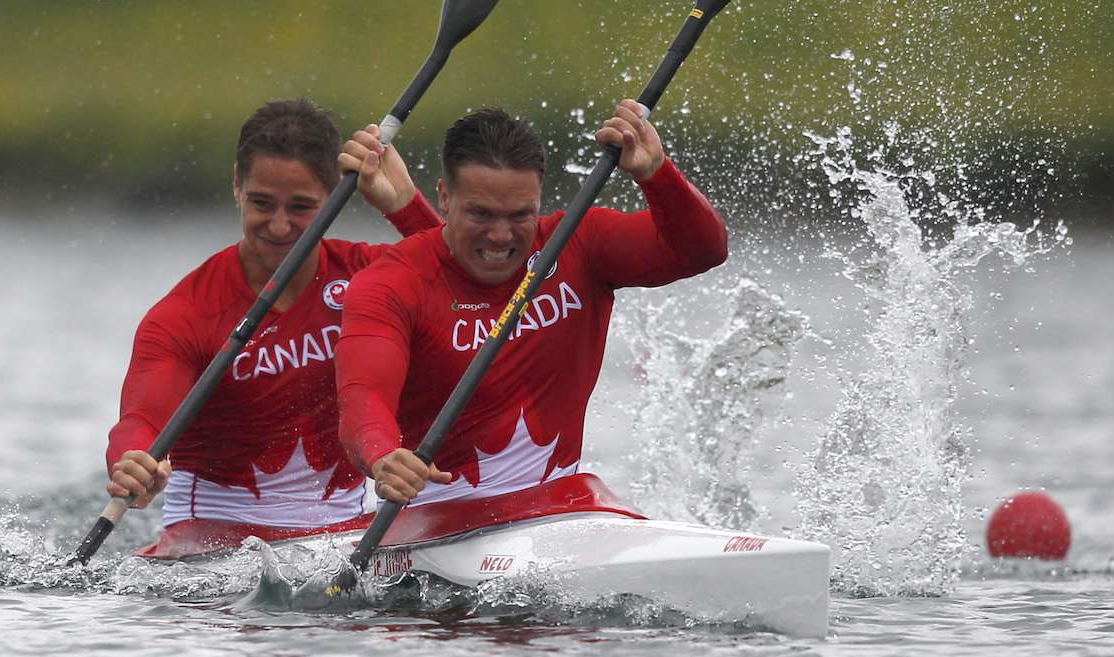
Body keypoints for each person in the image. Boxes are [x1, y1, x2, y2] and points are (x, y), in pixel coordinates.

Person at [336, 100, 728, 505]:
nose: (501, 236)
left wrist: (657, 174)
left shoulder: (579, 244)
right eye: (481, 214)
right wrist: (383, 456)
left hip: (556, 511)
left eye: (520, 215)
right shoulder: (390, 284)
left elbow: (703, 250)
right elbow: (364, 399)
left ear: (539, 201)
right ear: (445, 198)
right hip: (434, 519)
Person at [105, 99, 441, 541]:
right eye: (262, 203)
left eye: (301, 207)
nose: (279, 227)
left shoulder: (368, 277)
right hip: (213, 538)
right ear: (237, 186)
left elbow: (477, 293)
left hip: (350, 530)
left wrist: (405, 206)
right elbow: (141, 420)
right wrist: (132, 460)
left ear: (334, 199)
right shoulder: (187, 314)